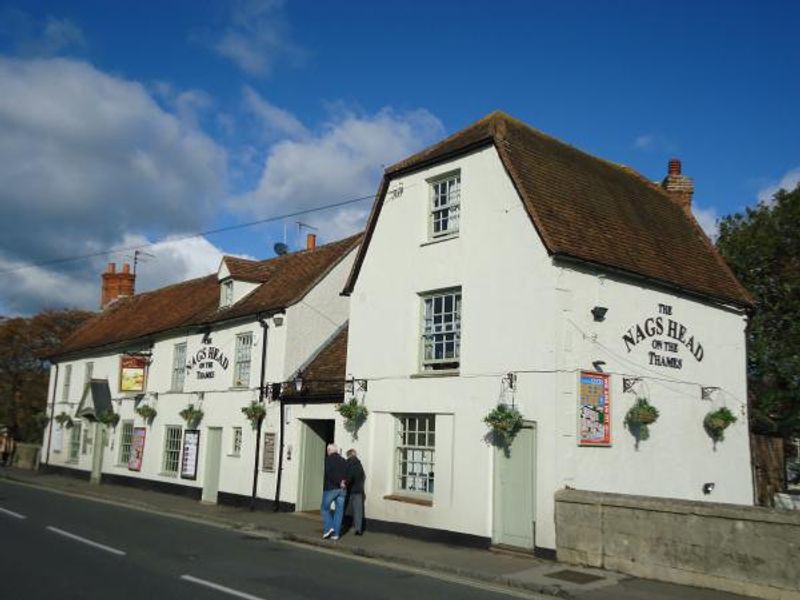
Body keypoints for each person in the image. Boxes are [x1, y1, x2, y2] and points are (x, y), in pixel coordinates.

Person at [321, 443, 347, 540]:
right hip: (343, 490)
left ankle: (329, 528)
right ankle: (336, 534)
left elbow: (329, 474)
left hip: (331, 488)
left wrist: (339, 482)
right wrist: (344, 482)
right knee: (339, 512)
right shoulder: (343, 460)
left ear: (329, 451)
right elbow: (348, 473)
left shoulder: (328, 460)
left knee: (324, 508)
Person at [346, 448, 366, 535]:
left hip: (350, 490)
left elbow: (349, 476)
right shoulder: (359, 464)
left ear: (349, 455)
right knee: (358, 510)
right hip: (359, 490)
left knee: (343, 508)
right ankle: (358, 529)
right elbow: (363, 476)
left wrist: (345, 483)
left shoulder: (349, 463)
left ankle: (340, 527)